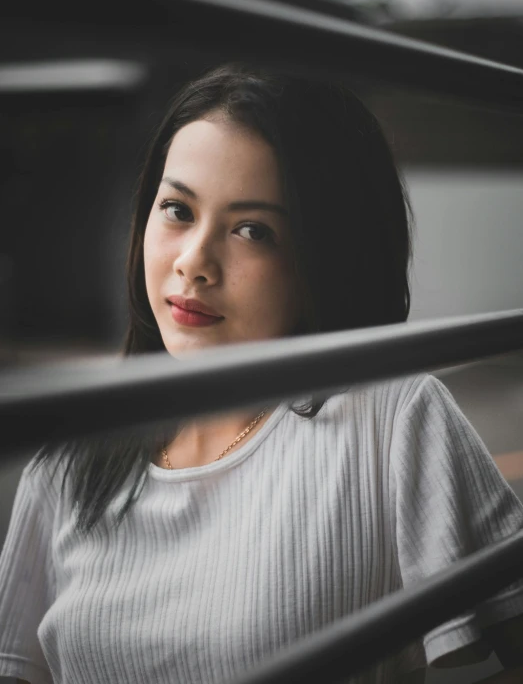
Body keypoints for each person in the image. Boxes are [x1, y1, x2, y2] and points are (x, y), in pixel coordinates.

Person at [0, 62, 522, 684]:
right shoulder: (65, 458)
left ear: (326, 258)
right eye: (176, 210)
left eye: (253, 230)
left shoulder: (391, 419)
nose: (194, 263)